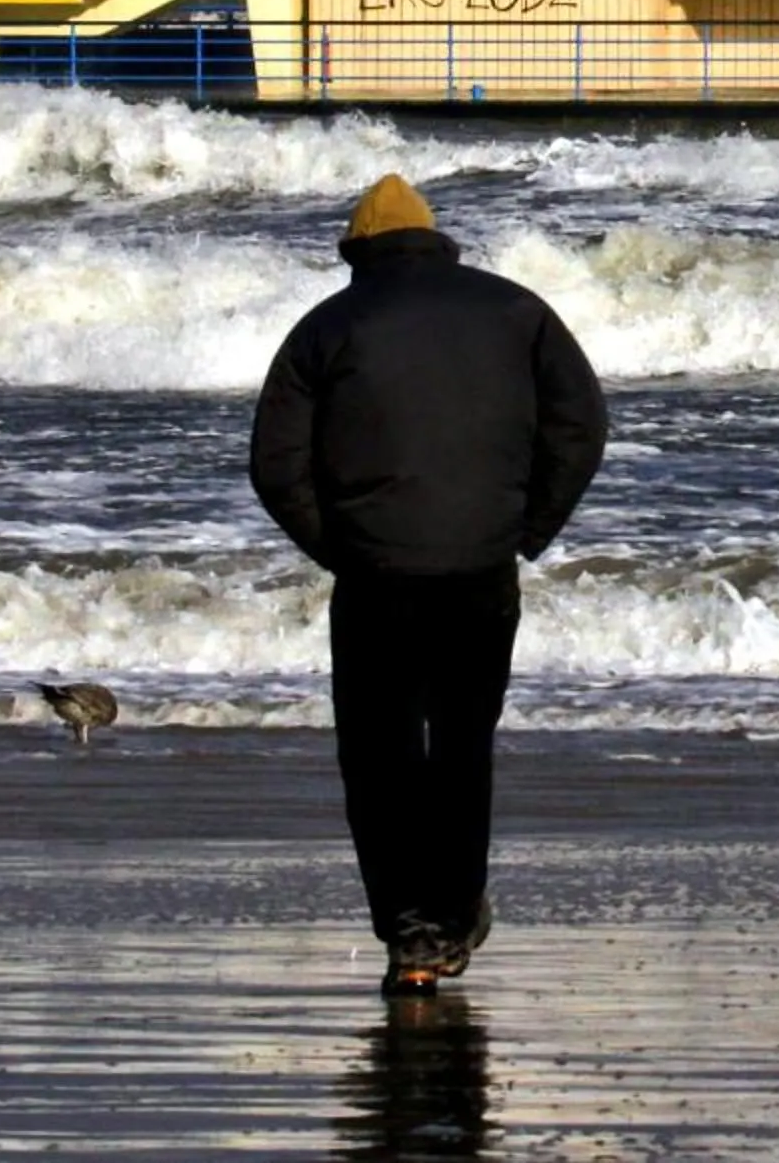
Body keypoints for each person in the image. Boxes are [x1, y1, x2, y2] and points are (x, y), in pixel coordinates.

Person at [251, 172, 607, 996]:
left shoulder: (327, 326)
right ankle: (452, 918)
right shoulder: (518, 311)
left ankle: (410, 937)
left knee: (379, 756)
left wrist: (338, 547)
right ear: (436, 241)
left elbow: (274, 464)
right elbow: (582, 426)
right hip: (481, 570)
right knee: (461, 748)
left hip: (375, 576)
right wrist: (527, 528)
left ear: (358, 251)